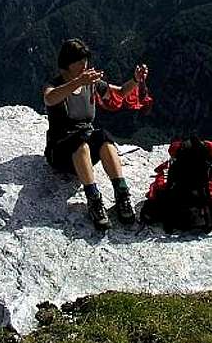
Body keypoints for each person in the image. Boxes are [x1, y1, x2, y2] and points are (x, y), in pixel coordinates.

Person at [42, 38, 150, 230]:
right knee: (81, 143)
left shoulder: (90, 83)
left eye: (86, 61)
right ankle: (93, 199)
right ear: (67, 64)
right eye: (80, 62)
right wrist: (78, 82)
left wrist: (135, 80)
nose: (85, 65)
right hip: (60, 151)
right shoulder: (57, 85)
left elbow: (120, 93)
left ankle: (121, 192)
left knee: (104, 137)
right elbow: (50, 98)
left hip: (82, 146)